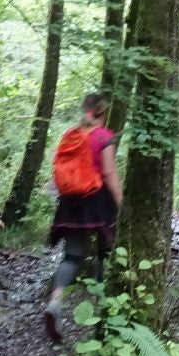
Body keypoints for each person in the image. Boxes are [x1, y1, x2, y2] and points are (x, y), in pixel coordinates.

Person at [43, 92, 122, 342]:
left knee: (72, 256)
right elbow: (109, 174)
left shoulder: (70, 135)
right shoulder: (104, 137)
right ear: (102, 112)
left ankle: (55, 300)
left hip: (70, 202)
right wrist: (122, 203)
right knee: (103, 253)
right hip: (97, 201)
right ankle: (101, 315)